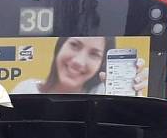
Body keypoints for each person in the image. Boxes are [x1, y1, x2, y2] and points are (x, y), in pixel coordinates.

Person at [12, 36, 146, 95]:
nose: (79, 62)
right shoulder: (26, 89)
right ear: (60, 46)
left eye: (94, 54)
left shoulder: (101, 93)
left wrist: (133, 96)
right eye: (74, 45)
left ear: (101, 64)